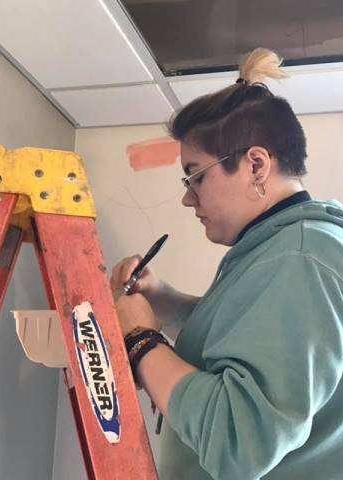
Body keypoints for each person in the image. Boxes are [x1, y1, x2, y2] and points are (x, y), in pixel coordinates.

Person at [110, 48, 343, 480]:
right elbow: (241, 339)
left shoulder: (299, 260)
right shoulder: (280, 248)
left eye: (196, 176)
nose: (187, 197)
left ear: (255, 164)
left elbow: (238, 440)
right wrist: (164, 301)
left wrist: (140, 339)